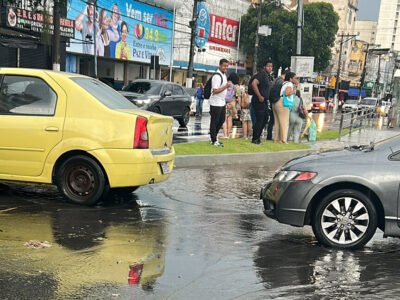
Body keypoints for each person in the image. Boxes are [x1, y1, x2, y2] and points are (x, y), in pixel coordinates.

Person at [209, 59, 231, 147]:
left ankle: (214, 137)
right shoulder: (217, 76)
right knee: (214, 121)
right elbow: (215, 90)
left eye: (227, 66)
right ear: (220, 65)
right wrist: (226, 86)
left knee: (221, 120)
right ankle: (213, 140)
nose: (225, 67)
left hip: (222, 102)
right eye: (224, 66)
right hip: (215, 102)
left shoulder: (224, 75)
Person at [250, 60, 274, 144]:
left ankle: (258, 137)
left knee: (265, 119)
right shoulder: (261, 74)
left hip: (264, 101)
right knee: (260, 120)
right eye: (268, 66)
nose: (270, 68)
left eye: (271, 66)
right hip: (258, 101)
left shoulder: (267, 76)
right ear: (264, 67)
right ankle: (255, 138)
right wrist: (259, 96)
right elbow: (254, 84)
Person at [273, 71, 298, 144]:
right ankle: (283, 140)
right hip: (283, 103)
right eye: (295, 78)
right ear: (290, 79)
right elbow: (287, 93)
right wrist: (293, 90)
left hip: (276, 102)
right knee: (284, 122)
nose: (296, 80)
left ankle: (277, 139)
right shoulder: (290, 84)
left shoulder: (284, 83)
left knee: (277, 122)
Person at [223, 73, 240, 138]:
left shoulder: (227, 84)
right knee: (229, 119)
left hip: (224, 103)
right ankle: (228, 134)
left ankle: (225, 135)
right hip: (232, 104)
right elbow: (238, 98)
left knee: (224, 120)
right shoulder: (237, 86)